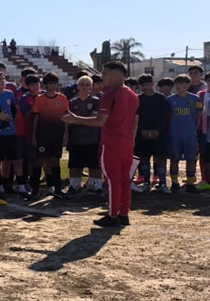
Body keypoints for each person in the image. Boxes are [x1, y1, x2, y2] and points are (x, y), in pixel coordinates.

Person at [63, 61, 139, 227]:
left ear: (115, 75)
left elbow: (99, 121)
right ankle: (124, 213)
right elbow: (135, 122)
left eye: (104, 73)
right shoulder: (133, 95)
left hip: (112, 143)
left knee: (112, 181)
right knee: (124, 180)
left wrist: (76, 119)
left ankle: (112, 215)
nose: (102, 76)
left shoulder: (110, 95)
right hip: (127, 143)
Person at [31, 73, 69, 198]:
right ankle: (35, 189)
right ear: (46, 85)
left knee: (55, 161)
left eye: (55, 83)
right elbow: (36, 118)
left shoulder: (63, 98)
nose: (53, 85)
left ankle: (57, 189)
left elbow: (66, 118)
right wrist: (34, 136)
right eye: (50, 83)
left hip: (57, 135)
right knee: (39, 160)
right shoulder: (40, 99)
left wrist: (66, 135)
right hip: (43, 136)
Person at [133, 74, 170, 194]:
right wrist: (142, 129)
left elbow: (164, 116)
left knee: (160, 158)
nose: (145, 87)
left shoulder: (161, 98)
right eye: (142, 85)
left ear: (152, 84)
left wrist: (158, 130)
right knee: (144, 158)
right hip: (142, 133)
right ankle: (146, 183)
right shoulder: (138, 98)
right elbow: (137, 116)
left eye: (147, 84)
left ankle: (163, 183)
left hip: (159, 133)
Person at [67, 76, 103, 197]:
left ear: (91, 87)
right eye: (82, 84)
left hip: (92, 138)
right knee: (74, 164)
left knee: (94, 165)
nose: (84, 87)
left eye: (87, 85)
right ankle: (74, 186)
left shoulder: (96, 101)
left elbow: (95, 117)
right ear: (77, 86)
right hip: (75, 138)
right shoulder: (72, 102)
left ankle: (98, 187)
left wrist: (76, 119)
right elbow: (68, 120)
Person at [166, 74, 203, 193]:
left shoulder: (195, 99)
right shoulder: (169, 100)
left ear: (188, 85)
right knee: (174, 158)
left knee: (191, 159)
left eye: (181, 83)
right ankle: (174, 183)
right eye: (177, 83)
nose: (178, 86)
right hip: (174, 134)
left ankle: (190, 184)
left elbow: (199, 115)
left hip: (190, 134)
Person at [195, 71, 210, 191]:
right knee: (204, 156)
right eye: (209, 80)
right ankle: (206, 180)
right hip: (203, 131)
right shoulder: (200, 94)